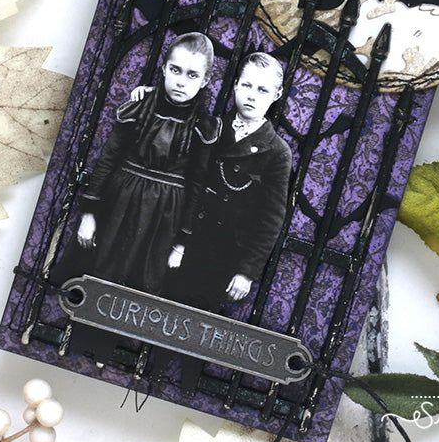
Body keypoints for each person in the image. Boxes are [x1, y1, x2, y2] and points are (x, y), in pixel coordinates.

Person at [147, 52, 293, 388]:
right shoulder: (212, 127)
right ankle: (151, 371)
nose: (252, 96)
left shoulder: (276, 152)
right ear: (236, 86)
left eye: (262, 90)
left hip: (227, 253)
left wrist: (247, 271)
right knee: (169, 307)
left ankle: (189, 383)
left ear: (277, 95)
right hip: (188, 237)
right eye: (247, 86)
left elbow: (272, 218)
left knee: (204, 323)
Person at [73, 32, 221, 295]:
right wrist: (88, 215)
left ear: (205, 80)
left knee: (141, 288)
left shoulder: (203, 128)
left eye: (192, 75)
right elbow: (108, 159)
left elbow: (197, 186)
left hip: (164, 217)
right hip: (119, 204)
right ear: (163, 69)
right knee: (98, 279)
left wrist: (180, 244)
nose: (181, 81)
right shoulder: (139, 108)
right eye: (175, 70)